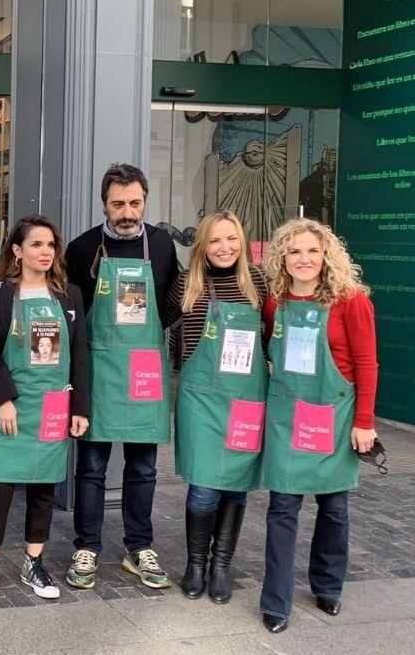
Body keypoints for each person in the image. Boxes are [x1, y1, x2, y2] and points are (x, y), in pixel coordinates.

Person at [63, 163, 180, 590]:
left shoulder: (164, 246)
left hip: (144, 370)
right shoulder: (81, 249)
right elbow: (72, 316)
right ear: (104, 204)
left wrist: (147, 342)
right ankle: (87, 547)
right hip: (99, 368)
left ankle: (139, 547)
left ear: (145, 201)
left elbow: (172, 303)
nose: (127, 212)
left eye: (135, 203)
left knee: (144, 466)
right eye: (118, 204)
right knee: (92, 466)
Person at [258, 218, 378, 634]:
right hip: (287, 414)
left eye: (312, 250)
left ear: (326, 254)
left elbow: (366, 364)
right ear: (282, 258)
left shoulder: (351, 301)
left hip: (337, 414)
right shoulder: (274, 302)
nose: (304, 259)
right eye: (294, 251)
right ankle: (276, 601)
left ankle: (328, 586)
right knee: (282, 509)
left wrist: (364, 423)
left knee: (335, 508)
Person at [0, 215, 89, 602]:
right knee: (0, 486)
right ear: (18, 251)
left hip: (52, 405)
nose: (45, 252)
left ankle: (33, 563)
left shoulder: (69, 295)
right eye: (36, 244)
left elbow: (80, 357)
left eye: (51, 245)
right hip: (10, 404)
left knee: (42, 485)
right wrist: (4, 399)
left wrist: (80, 408)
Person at [161, 210, 267, 603]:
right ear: (203, 246)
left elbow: (275, 339)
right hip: (201, 399)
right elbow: (149, 323)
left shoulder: (258, 283)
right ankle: (195, 564)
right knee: (203, 489)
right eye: (215, 240)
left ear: (241, 242)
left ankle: (222, 565)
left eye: (232, 239)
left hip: (244, 397)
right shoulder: (187, 285)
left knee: (236, 487)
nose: (225, 248)